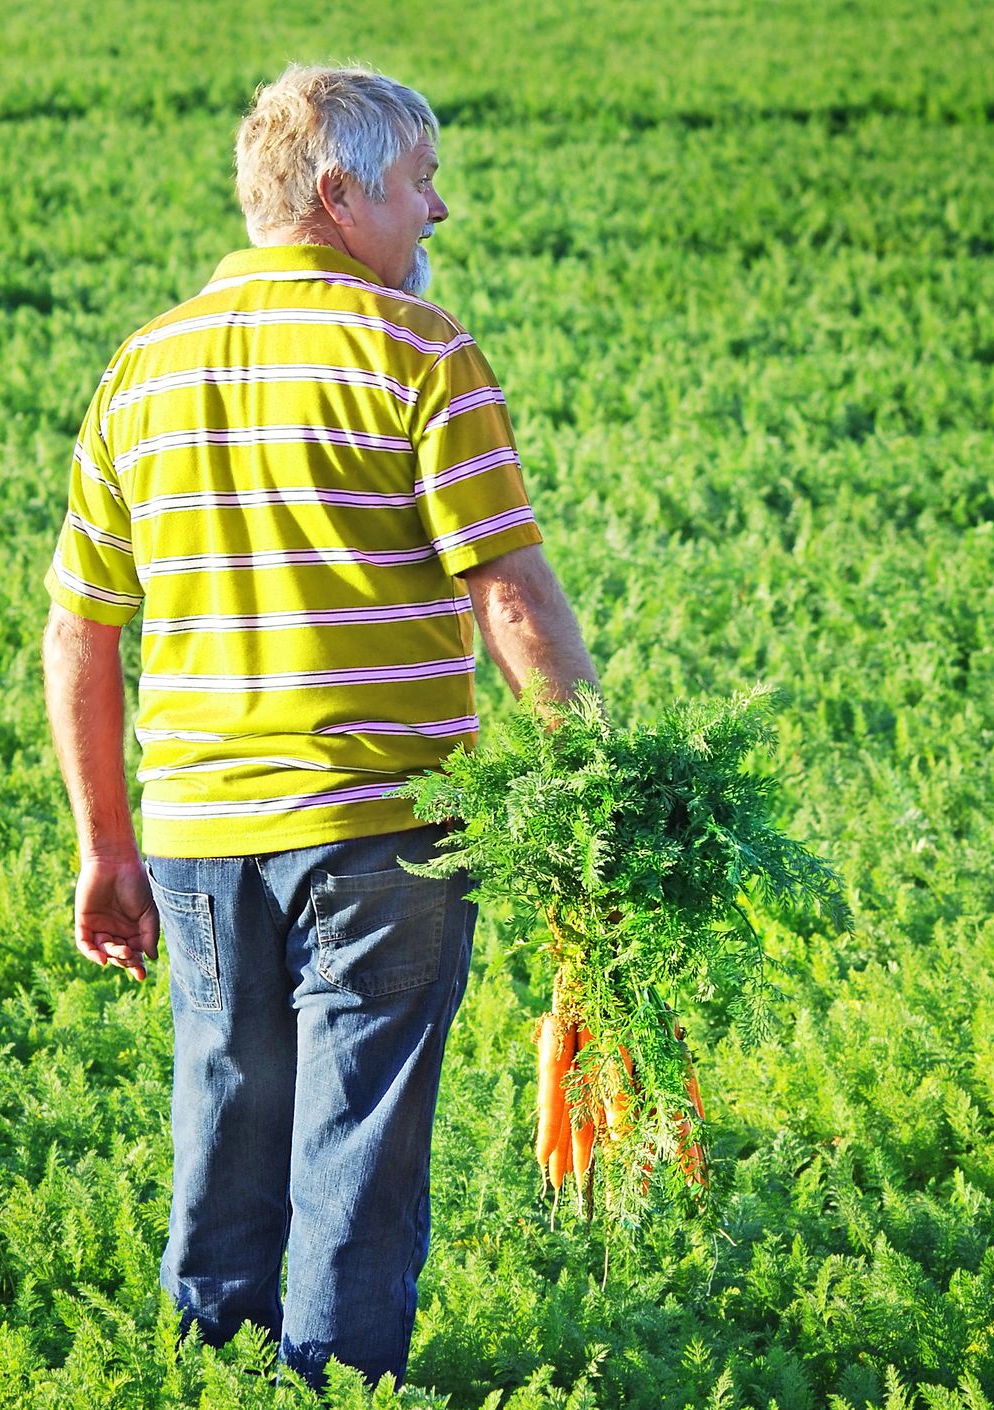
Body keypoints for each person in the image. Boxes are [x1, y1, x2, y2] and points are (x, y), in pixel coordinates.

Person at [38, 64, 596, 1390]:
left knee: (228, 1112)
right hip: (383, 829)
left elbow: (82, 628)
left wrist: (104, 843)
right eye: (419, 182)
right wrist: (588, 791)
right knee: (358, 1140)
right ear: (337, 196)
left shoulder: (143, 367)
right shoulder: (420, 353)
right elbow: (508, 593)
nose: (439, 211)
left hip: (194, 839)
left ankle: (211, 1375)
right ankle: (336, 1386)